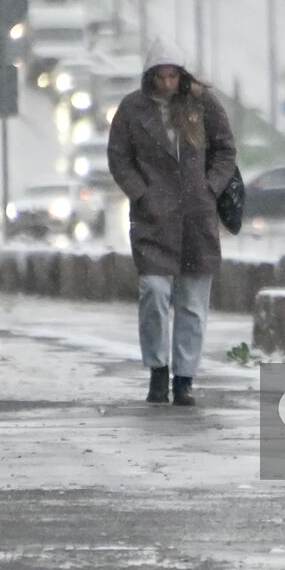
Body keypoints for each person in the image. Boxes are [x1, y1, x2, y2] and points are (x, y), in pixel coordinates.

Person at [107, 38, 236, 406]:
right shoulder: (132, 109)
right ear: (149, 76)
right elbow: (119, 157)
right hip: (153, 220)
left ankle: (184, 378)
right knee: (154, 292)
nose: (166, 83)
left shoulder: (202, 104)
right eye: (160, 76)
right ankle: (157, 369)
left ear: (182, 76)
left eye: (172, 76)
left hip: (197, 218)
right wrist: (141, 192)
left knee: (193, 303)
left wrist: (209, 187)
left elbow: (225, 149)